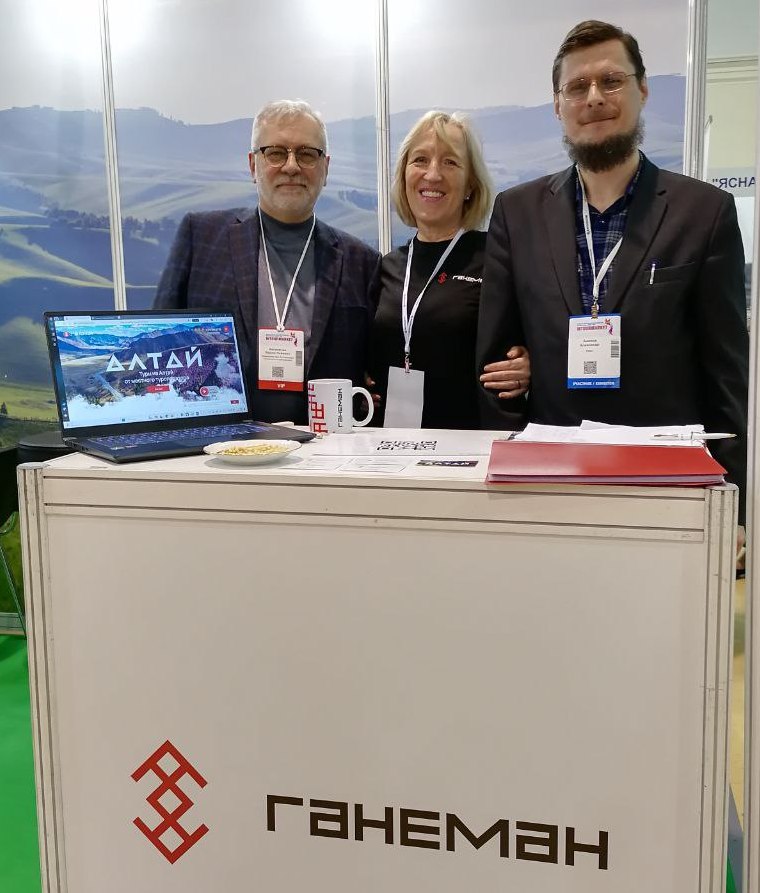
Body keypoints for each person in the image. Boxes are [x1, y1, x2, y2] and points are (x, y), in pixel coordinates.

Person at [476, 20, 749, 522]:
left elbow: (726, 374)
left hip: (666, 484)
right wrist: (505, 484)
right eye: (577, 87)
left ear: (642, 90)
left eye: (611, 81)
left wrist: (732, 507)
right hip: (547, 480)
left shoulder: (703, 212)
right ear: (558, 105)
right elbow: (498, 365)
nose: (595, 97)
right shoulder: (517, 213)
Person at [154, 99, 381, 425]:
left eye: (307, 154)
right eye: (275, 153)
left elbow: (374, 372)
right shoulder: (200, 237)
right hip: (218, 444)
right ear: (253, 165)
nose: (291, 166)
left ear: (326, 168)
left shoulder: (361, 262)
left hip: (325, 447)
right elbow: (158, 347)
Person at [369, 111, 529, 429]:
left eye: (450, 162)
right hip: (390, 447)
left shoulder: (499, 260)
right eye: (420, 160)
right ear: (404, 175)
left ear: (470, 184)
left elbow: (541, 333)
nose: (432, 174)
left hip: (472, 446)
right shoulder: (387, 267)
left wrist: (532, 365)